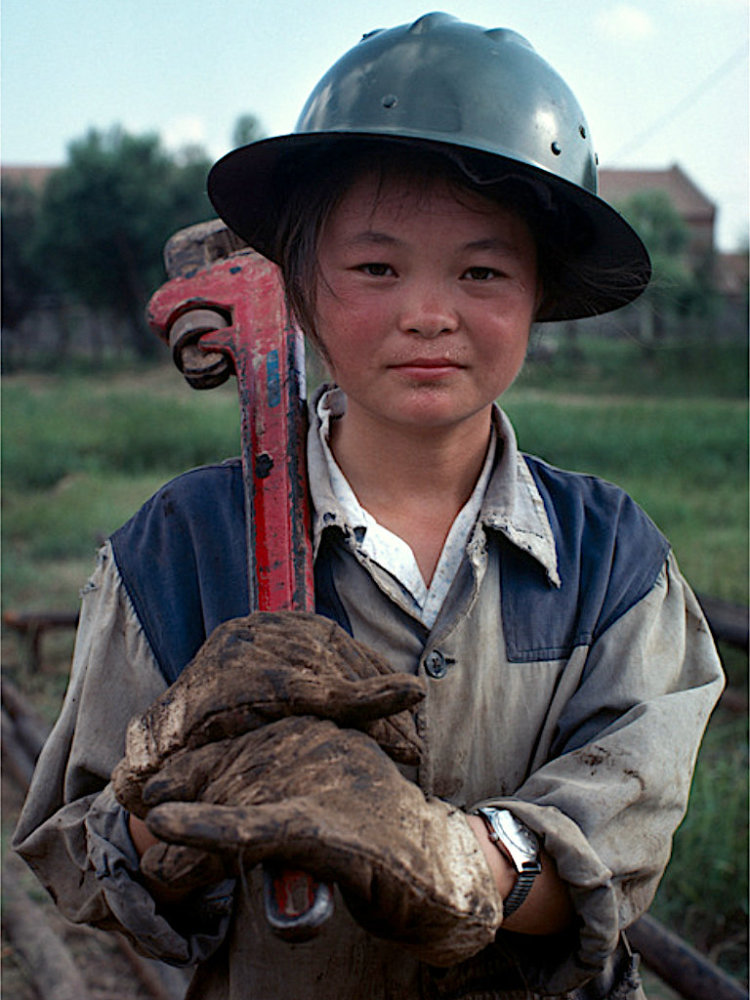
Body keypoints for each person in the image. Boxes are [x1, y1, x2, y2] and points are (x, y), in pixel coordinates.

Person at [14, 13, 724, 1000]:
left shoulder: (614, 562)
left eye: (482, 270)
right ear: (296, 288)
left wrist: (461, 862)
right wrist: (177, 799)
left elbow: (623, 826)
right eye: (375, 267)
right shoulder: (176, 552)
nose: (427, 312)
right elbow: (76, 852)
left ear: (537, 298)